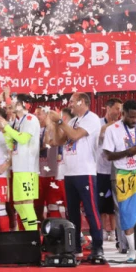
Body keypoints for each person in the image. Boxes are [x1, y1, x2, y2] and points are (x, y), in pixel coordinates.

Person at [50, 93, 104, 260]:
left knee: (90, 210)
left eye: (73, 101)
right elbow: (59, 141)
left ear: (82, 102)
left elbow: (74, 136)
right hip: (70, 172)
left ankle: (98, 246)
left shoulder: (91, 118)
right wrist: (55, 124)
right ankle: (75, 247)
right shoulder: (73, 121)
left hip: (85, 171)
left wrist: (60, 121)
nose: (70, 104)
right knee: (72, 213)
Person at [102, 100, 136, 261]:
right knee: (127, 214)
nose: (134, 120)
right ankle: (132, 250)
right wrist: (128, 152)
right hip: (125, 175)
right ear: (123, 113)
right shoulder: (112, 129)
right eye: (131, 117)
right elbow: (108, 155)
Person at [0, 96, 40, 231]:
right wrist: (4, 130)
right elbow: (11, 144)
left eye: (13, 101)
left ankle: (33, 235)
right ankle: (26, 234)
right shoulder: (17, 122)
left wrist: (7, 127)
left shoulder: (30, 119)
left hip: (28, 168)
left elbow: (23, 139)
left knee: (27, 203)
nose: (10, 104)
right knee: (18, 204)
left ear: (21, 104)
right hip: (17, 167)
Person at [97, 98, 122, 244]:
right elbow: (97, 135)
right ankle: (101, 231)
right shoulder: (98, 123)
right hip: (100, 169)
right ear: (108, 108)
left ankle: (113, 231)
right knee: (100, 204)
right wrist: (109, 126)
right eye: (117, 108)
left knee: (114, 204)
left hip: (115, 170)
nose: (119, 112)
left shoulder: (120, 125)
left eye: (120, 109)